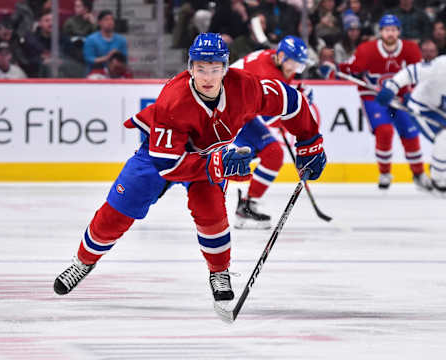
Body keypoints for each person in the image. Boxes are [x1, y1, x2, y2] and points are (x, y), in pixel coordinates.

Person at [53, 33, 326, 303]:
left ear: (225, 68)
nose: (208, 77)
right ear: (190, 67)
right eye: (201, 69)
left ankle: (219, 272)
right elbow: (167, 165)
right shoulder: (173, 100)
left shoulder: (245, 87)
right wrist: (218, 164)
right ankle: (83, 262)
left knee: (212, 213)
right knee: (118, 210)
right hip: (159, 157)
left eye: (215, 69)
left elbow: (292, 102)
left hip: (208, 155)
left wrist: (310, 142)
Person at [323, 14, 432, 191]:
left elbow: (419, 75)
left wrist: (412, 94)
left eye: (394, 30)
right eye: (387, 30)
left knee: (410, 133)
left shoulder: (411, 49)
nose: (390, 33)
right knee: (384, 130)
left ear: (399, 32)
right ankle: (384, 172)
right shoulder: (367, 50)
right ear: (380, 32)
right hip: (374, 97)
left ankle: (419, 174)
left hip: (400, 98)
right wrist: (331, 70)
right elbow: (349, 69)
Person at [230, 35, 313, 229]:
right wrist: (299, 103)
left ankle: (247, 206)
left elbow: (277, 94)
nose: (295, 70)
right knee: (270, 153)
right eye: (294, 64)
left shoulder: (274, 59)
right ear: (282, 56)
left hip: (240, 109)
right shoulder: (269, 73)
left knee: (272, 153)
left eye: (299, 66)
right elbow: (271, 118)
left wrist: (296, 92)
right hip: (227, 112)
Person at [376, 55, 446, 194]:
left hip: (441, 109)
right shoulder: (442, 65)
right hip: (423, 108)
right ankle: (439, 181)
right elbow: (411, 72)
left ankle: (440, 168)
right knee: (443, 137)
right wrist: (391, 87)